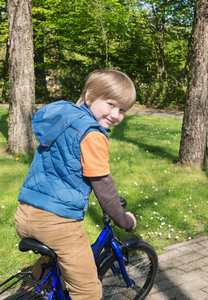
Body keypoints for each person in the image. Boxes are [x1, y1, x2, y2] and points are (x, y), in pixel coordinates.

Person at [15, 69, 137, 300]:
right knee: (88, 290)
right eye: (110, 104)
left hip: (25, 213)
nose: (116, 114)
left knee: (51, 262)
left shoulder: (64, 118)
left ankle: (33, 292)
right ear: (89, 96)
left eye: (122, 109)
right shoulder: (92, 134)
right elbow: (103, 184)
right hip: (57, 223)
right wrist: (124, 220)